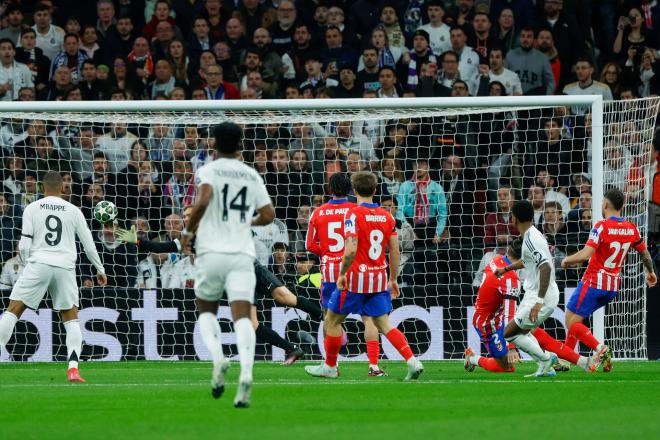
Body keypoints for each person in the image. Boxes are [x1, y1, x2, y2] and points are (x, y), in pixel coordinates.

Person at [183, 122, 275, 408]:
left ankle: (219, 358)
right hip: (241, 254)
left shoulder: (208, 170)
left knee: (206, 309)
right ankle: (246, 373)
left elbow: (204, 200)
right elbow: (269, 214)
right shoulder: (251, 174)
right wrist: (250, 221)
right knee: (243, 316)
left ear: (214, 144)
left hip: (211, 252)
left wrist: (187, 233)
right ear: (240, 145)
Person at [305, 171, 424, 380]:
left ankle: (330, 366)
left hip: (355, 279)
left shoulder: (353, 214)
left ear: (355, 190)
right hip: (378, 279)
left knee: (331, 320)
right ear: (375, 190)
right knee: (383, 323)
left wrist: (342, 273)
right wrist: (393, 278)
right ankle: (412, 361)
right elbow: (395, 251)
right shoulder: (387, 216)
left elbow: (350, 250)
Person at [0, 171, 107, 382]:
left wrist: (28, 262)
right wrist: (100, 269)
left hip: (39, 264)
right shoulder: (74, 210)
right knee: (71, 318)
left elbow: (24, 243)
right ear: (62, 188)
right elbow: (88, 244)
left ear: (42, 188)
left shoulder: (32, 208)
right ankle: (73, 368)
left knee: (13, 310)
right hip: (65, 267)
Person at [560, 188, 657, 372]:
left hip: (594, 281)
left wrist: (567, 260)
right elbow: (644, 253)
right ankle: (565, 360)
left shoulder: (601, 226)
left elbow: (586, 254)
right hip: (612, 287)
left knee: (571, 323)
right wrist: (651, 272)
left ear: (605, 204)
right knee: (573, 321)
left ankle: (600, 349)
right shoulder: (632, 228)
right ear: (623, 206)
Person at [305, 172, 387, 376]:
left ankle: (330, 364)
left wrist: (327, 252)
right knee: (369, 318)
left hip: (331, 270)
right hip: (356, 269)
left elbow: (309, 244)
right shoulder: (356, 209)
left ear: (329, 189)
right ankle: (374, 365)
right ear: (351, 189)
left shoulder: (318, 213)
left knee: (329, 319)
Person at [493, 200, 559, 377]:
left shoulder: (531, 239)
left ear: (514, 218)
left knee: (509, 333)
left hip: (540, 296)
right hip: (535, 294)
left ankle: (546, 359)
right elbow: (527, 261)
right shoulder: (531, 235)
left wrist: (538, 301)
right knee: (522, 332)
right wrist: (505, 269)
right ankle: (546, 367)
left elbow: (545, 267)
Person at [464, 240, 522, 373]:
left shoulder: (497, 259)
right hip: (487, 324)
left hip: (497, 316)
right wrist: (511, 347)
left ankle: (547, 358)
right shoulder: (511, 280)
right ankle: (472, 358)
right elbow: (509, 315)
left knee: (531, 327)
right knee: (507, 368)